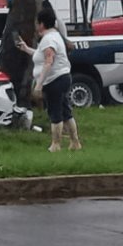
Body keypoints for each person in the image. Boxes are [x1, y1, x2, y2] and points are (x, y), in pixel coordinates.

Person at [17, 8, 80, 152]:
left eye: (37, 22)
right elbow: (41, 55)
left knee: (55, 112)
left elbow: (48, 60)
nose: (36, 25)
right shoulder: (54, 36)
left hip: (54, 80)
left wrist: (38, 85)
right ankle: (75, 142)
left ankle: (56, 144)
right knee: (66, 112)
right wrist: (27, 49)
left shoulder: (48, 39)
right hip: (63, 77)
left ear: (41, 24)